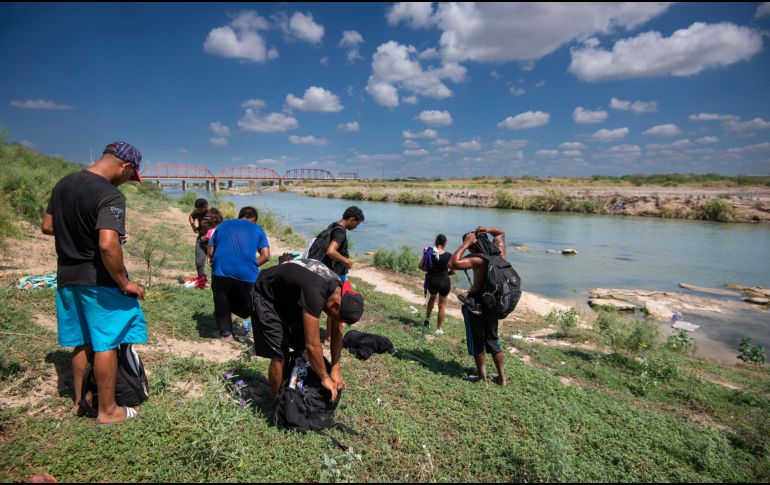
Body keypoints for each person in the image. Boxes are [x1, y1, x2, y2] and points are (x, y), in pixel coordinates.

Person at [41, 141, 148, 424]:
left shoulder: (64, 184)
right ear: (125, 166)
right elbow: (108, 246)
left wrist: (82, 234)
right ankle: (108, 410)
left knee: (81, 341)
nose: (127, 182)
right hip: (98, 280)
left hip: (67, 276)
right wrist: (125, 283)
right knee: (106, 342)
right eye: (130, 176)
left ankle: (81, 403)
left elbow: (48, 226)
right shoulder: (109, 194)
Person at [251, 259, 364, 401]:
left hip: (289, 297)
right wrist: (324, 377)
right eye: (338, 318)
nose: (336, 322)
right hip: (266, 294)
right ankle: (276, 403)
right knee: (280, 353)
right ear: (335, 305)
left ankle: (290, 385)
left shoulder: (338, 292)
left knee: (301, 345)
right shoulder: (316, 292)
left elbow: (336, 333)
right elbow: (313, 344)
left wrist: (335, 369)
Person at [448, 226, 508, 387]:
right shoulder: (499, 256)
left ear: (474, 244)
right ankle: (502, 379)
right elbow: (500, 233)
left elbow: (452, 263)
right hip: (493, 305)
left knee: (477, 341)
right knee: (493, 340)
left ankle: (482, 377)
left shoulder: (478, 259)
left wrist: (465, 244)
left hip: (476, 305)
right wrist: (488, 229)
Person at [207, 206, 270, 339]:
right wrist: (250, 265)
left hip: (221, 271)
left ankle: (225, 333)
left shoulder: (222, 225)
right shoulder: (258, 229)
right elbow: (266, 256)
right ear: (254, 219)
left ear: (239, 215)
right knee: (253, 303)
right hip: (247, 274)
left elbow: (211, 250)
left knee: (222, 301)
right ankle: (258, 334)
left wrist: (214, 260)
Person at [315, 206, 365, 342]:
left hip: (327, 272)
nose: (356, 227)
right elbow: (331, 251)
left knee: (329, 305)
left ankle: (329, 336)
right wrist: (346, 261)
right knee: (339, 307)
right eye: (357, 224)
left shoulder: (332, 226)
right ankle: (335, 337)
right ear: (352, 219)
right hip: (337, 275)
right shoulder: (340, 232)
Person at [419, 234, 453, 335]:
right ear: (444, 243)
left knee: (432, 298)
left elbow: (420, 266)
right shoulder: (449, 255)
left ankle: (427, 319)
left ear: (436, 242)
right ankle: (438, 329)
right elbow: (453, 271)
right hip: (444, 281)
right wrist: (446, 273)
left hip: (432, 280)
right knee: (442, 305)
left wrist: (430, 270)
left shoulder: (429, 253)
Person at [188, 198, 218, 286]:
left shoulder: (215, 213)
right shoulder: (198, 211)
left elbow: (220, 228)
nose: (199, 211)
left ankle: (215, 283)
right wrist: (193, 226)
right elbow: (191, 216)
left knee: (214, 262)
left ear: (205, 206)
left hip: (213, 242)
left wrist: (208, 236)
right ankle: (202, 282)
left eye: (200, 209)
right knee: (199, 262)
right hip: (200, 240)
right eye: (197, 209)